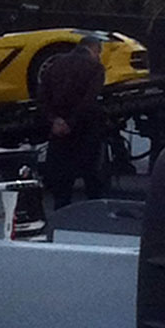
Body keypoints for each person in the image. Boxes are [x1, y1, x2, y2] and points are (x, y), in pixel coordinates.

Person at [38, 36, 106, 209]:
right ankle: (94, 209)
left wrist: (55, 120)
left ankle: (60, 210)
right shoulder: (95, 68)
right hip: (84, 126)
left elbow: (42, 96)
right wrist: (71, 121)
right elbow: (89, 99)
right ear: (94, 49)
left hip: (58, 127)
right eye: (99, 53)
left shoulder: (55, 65)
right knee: (90, 170)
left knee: (61, 173)